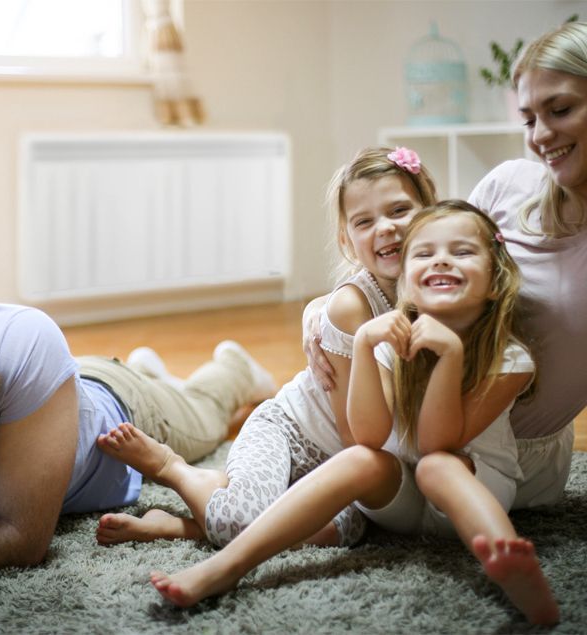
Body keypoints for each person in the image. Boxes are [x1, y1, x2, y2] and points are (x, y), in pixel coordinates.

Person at [148, 201, 560, 626]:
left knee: (438, 466)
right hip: (402, 499)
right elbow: (367, 435)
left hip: (474, 488)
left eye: (461, 252)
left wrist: (451, 354)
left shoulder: (509, 358)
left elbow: (437, 442)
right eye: (424, 253)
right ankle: (228, 567)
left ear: (494, 282)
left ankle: (511, 567)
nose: (441, 259)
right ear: (406, 285)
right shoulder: (389, 344)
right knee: (362, 460)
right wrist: (364, 345)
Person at [0, 259, 275, 615]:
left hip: (121, 411)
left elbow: (23, 540)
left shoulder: (23, 335)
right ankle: (150, 370)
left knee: (205, 415)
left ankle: (233, 369)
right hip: (49, 400)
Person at [305, 20, 587, 511]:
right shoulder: (508, 184)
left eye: (560, 109)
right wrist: (324, 315)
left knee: (336, 514)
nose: (540, 136)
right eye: (527, 119)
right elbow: (417, 266)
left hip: (510, 462)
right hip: (412, 424)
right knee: (303, 482)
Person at [94, 146, 437, 549]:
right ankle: (177, 470)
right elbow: (358, 437)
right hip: (290, 434)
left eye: (399, 211)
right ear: (347, 240)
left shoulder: (438, 289)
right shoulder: (352, 306)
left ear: (431, 210)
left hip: (336, 466)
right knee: (239, 523)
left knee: (349, 532)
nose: (385, 228)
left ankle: (185, 524)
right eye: (365, 221)